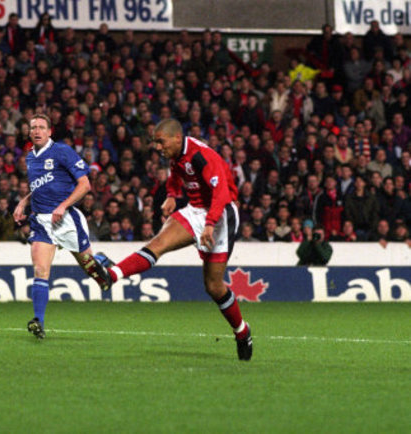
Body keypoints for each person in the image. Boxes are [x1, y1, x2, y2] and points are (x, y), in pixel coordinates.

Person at [96, 118, 252, 361]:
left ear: (177, 138)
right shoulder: (176, 155)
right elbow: (176, 176)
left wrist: (210, 224)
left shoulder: (202, 156)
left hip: (221, 215)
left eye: (161, 141)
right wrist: (171, 195)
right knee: (158, 244)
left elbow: (221, 195)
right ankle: (111, 275)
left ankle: (242, 331)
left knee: (213, 286)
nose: (158, 147)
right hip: (195, 210)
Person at [13, 114, 110, 339]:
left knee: (92, 271)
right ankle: (38, 321)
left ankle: (102, 264)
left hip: (66, 219)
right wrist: (24, 201)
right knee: (40, 270)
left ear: (49, 132)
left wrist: (63, 205)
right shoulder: (30, 157)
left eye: (41, 127)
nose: (37, 131)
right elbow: (39, 187)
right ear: (29, 132)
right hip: (42, 222)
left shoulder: (62, 151)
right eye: (33, 127)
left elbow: (85, 185)